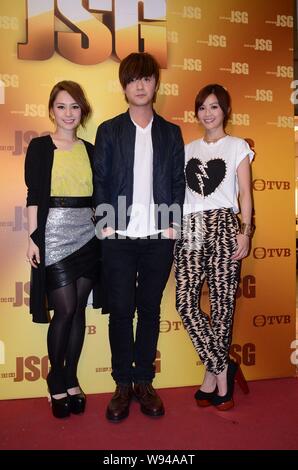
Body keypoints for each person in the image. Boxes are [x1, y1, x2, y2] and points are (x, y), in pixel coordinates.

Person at [93, 52, 185, 422]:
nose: (140, 86)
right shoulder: (109, 130)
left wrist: (173, 224)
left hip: (159, 236)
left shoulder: (171, 132)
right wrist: (105, 224)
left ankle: (144, 382)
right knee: (120, 312)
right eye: (133, 80)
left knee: (148, 310)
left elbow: (178, 182)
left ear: (155, 84)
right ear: (124, 86)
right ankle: (122, 384)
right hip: (119, 235)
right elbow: (100, 180)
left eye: (146, 79)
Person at [24, 80, 101, 419]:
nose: (68, 113)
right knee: (65, 310)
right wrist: (33, 236)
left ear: (82, 110)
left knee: (79, 311)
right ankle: (55, 379)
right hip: (54, 233)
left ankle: (71, 379)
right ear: (52, 110)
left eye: (74, 106)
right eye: (61, 106)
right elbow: (33, 196)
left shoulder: (92, 149)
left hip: (87, 233)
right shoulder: (40, 146)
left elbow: (100, 196)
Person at [174, 83, 253, 411]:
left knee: (222, 308)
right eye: (202, 107)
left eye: (214, 107)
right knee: (185, 303)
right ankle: (223, 368)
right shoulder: (187, 149)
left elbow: (246, 193)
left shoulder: (237, 146)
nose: (207, 113)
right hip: (190, 227)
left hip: (223, 225)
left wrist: (246, 232)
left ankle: (212, 378)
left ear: (225, 111)